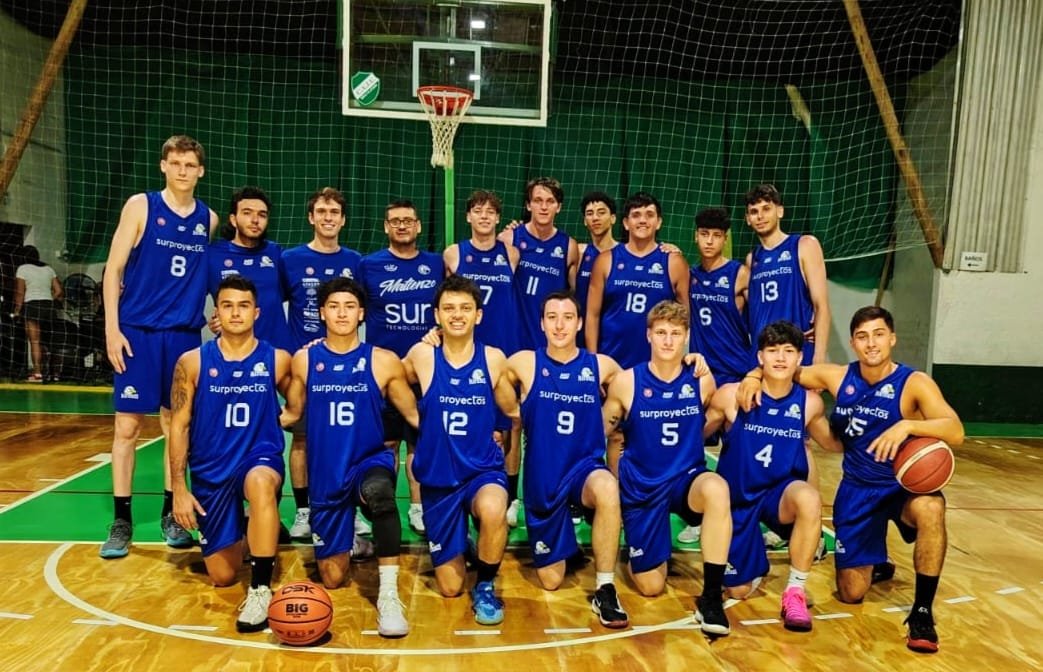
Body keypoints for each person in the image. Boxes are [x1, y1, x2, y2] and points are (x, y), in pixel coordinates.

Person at [738, 306, 964, 653]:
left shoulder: (913, 383)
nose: (871, 343)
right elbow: (784, 366)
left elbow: (955, 430)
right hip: (858, 490)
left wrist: (907, 425)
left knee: (932, 507)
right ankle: (876, 563)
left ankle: (922, 612)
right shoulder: (837, 377)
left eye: (878, 334)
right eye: (862, 337)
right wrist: (753, 377)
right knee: (850, 593)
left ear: (892, 338)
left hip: (901, 488)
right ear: (853, 343)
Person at [100, 134, 219, 559]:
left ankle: (172, 512)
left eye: (190, 165)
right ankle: (121, 520)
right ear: (164, 166)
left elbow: (203, 276)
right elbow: (113, 270)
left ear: (200, 171)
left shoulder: (208, 219)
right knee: (127, 428)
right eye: (176, 163)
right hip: (138, 332)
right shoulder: (141, 206)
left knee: (176, 426)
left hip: (183, 337)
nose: (183, 171)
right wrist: (112, 329)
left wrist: (216, 313)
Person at [282, 277, 418, 638]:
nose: (341, 313)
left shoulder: (383, 361)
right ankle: (355, 541)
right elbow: (291, 413)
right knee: (333, 577)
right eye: (334, 307)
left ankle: (388, 595)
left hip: (367, 462)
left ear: (361, 314)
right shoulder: (305, 360)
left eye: (349, 307)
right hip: (326, 474)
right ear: (322, 313)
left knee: (382, 497)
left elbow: (415, 415)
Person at [168, 275, 293, 632]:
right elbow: (179, 426)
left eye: (243, 306)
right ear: (217, 314)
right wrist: (179, 488)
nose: (236, 313)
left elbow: (298, 404)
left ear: (256, 312)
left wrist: (281, 419)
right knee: (222, 576)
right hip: (211, 468)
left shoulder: (277, 359)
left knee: (261, 483)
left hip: (258, 458)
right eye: (227, 306)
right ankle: (250, 525)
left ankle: (260, 589)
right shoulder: (192, 362)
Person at [602, 300, 732, 636]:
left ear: (686, 337)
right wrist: (613, 489)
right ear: (648, 335)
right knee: (651, 586)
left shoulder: (701, 380)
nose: (668, 340)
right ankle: (646, 542)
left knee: (717, 489)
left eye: (676, 333)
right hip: (643, 486)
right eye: (661, 333)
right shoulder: (627, 382)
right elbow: (607, 434)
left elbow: (714, 417)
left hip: (684, 480)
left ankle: (711, 597)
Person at [505, 290, 629, 628]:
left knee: (607, 487)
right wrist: (514, 416)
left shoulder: (600, 366)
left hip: (583, 470)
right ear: (542, 324)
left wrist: (692, 362)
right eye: (552, 317)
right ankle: (566, 545)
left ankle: (605, 588)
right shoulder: (524, 363)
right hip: (543, 480)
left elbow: (637, 387)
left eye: (568, 318)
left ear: (579, 323)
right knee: (551, 580)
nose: (560, 325)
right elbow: (485, 372)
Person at [706, 320, 840, 632]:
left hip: (778, 497)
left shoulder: (809, 403)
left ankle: (795, 590)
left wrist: (881, 431)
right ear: (760, 357)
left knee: (808, 498)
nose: (780, 358)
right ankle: (754, 560)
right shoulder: (731, 396)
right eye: (772, 350)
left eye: (789, 351)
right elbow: (696, 434)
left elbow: (834, 444)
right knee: (738, 590)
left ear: (799, 358)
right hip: (738, 501)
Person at [403, 275, 520, 626]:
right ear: (436, 315)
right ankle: (465, 542)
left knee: (494, 507)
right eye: (449, 308)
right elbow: (386, 376)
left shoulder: (494, 359)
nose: (457, 315)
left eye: (465, 308)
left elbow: (513, 411)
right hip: (439, 481)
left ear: (478, 315)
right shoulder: (422, 355)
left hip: (481, 471)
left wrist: (500, 432)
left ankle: (485, 584)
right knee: (450, 588)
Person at [280, 187, 363, 540]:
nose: (328, 218)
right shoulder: (289, 259)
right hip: (305, 368)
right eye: (322, 212)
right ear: (311, 217)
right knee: (301, 440)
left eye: (334, 213)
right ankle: (304, 511)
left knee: (348, 439)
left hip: (347, 367)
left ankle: (349, 510)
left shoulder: (356, 261)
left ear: (343, 220)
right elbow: (267, 302)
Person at [359, 199, 444, 535]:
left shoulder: (435, 264)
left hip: (424, 371)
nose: (402, 225)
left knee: (420, 443)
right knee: (387, 445)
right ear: (386, 227)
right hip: (383, 373)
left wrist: (439, 331)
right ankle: (385, 506)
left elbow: (451, 305)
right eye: (395, 220)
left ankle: (418, 507)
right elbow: (350, 307)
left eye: (408, 220)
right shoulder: (369, 265)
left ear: (418, 226)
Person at [444, 190, 525, 527]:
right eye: (478, 211)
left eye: (490, 211)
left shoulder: (511, 253)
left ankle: (510, 496)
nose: (484, 216)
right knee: (470, 423)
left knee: (511, 425)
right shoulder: (453, 254)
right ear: (468, 217)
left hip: (504, 350)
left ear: (497, 218)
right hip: (467, 353)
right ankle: (462, 490)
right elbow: (446, 300)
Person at [677, 207, 751, 545]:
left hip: (736, 373)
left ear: (725, 239)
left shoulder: (739, 275)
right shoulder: (688, 275)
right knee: (693, 444)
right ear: (695, 236)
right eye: (704, 234)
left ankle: (739, 516)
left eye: (717, 235)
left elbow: (762, 317)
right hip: (703, 374)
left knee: (737, 450)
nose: (709, 241)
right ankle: (699, 513)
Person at [585, 192, 689, 369]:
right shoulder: (605, 260)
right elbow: (592, 315)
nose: (643, 220)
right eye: (636, 215)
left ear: (659, 222)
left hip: (657, 367)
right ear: (626, 223)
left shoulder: (674, 262)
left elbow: (685, 318)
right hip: (611, 362)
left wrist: (683, 360)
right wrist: (593, 363)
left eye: (649, 215)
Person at [743, 183, 830, 366]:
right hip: (763, 358)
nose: (760, 216)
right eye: (754, 211)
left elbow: (821, 306)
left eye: (766, 209)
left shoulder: (805, 245)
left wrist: (819, 358)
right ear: (748, 219)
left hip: (797, 355)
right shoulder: (752, 259)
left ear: (780, 211)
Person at [499, 177, 580, 352]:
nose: (544, 207)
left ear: (559, 207)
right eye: (538, 200)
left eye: (550, 201)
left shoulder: (569, 246)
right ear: (529, 205)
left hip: (551, 342)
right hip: (513, 339)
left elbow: (573, 297)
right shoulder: (509, 239)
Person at [207, 186, 290, 351]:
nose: (255, 220)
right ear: (233, 219)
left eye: (262, 215)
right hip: (231, 352)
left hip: (276, 353)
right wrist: (213, 321)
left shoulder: (277, 254)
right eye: (247, 213)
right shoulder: (212, 255)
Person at [13, 245, 64, 382]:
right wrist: (49, 298)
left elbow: (20, 293)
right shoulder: (48, 269)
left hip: (32, 306)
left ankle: (37, 373)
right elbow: (59, 291)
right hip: (48, 307)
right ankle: (54, 373)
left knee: (35, 341)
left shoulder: (22, 269)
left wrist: (17, 311)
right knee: (49, 341)